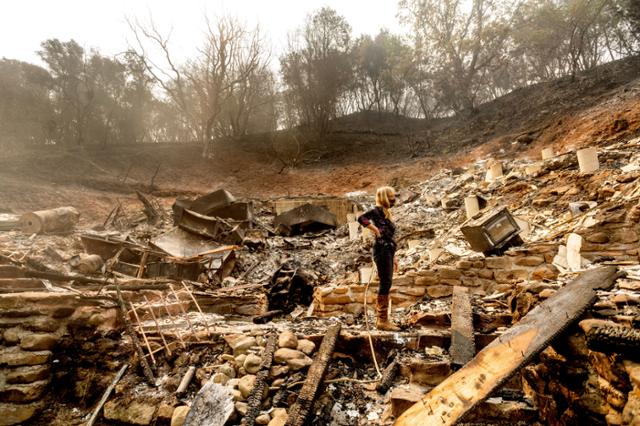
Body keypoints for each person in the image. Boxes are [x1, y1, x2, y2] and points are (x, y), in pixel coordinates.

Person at [357, 186, 400, 331]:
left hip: (388, 250)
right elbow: (360, 218)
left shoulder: (386, 213)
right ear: (385, 197)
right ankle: (382, 320)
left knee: (387, 282)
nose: (394, 199)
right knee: (385, 282)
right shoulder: (376, 211)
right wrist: (374, 229)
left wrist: (394, 257)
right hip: (381, 251)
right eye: (392, 196)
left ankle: (383, 319)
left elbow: (390, 237)